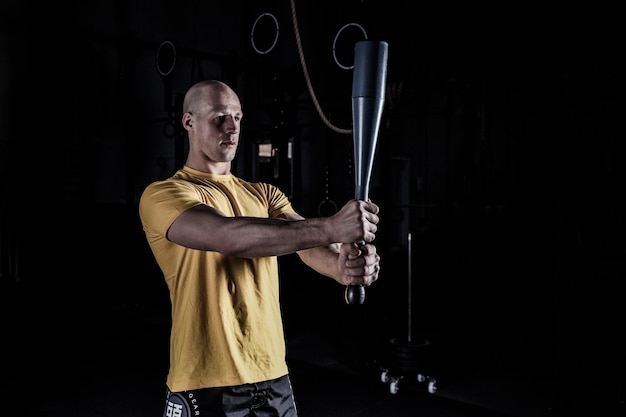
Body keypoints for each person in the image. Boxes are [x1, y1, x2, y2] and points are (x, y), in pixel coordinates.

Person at [138, 79, 381, 417]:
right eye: (220, 117)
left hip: (272, 376)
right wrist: (331, 226)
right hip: (206, 381)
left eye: (238, 117)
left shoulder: (264, 194)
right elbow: (227, 237)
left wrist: (344, 265)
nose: (232, 127)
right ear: (188, 122)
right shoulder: (164, 194)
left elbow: (307, 243)